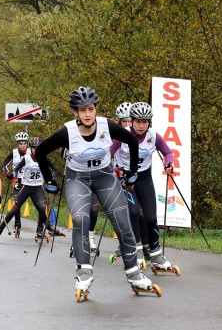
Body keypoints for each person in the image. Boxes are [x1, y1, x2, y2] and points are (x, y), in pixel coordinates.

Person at [36, 86, 160, 300]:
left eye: (91, 109)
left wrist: (132, 171)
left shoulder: (106, 126)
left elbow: (130, 140)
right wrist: (49, 181)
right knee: (81, 220)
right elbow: (40, 152)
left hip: (104, 177)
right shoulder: (67, 132)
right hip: (78, 180)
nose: (87, 114)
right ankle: (84, 275)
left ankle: (135, 275)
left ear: (95, 110)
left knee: (123, 223)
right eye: (82, 110)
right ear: (75, 112)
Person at [111, 101, 180, 274]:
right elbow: (108, 153)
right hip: (125, 178)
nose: (141, 126)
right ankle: (136, 251)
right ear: (131, 121)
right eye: (138, 121)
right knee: (134, 212)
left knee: (150, 217)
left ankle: (156, 255)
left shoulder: (153, 136)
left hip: (144, 178)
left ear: (149, 122)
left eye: (145, 122)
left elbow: (168, 152)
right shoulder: (122, 135)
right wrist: (111, 169)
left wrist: (169, 163)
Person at [0, 137, 60, 242]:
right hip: (26, 186)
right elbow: (16, 169)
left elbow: (55, 170)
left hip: (38, 187)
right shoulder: (26, 158)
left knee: (42, 207)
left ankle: (40, 231)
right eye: (34, 148)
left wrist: (51, 182)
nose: (36, 150)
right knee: (14, 210)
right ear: (31, 148)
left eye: (38, 148)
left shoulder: (44, 158)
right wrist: (16, 180)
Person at [112, 101, 150, 263]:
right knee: (128, 212)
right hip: (120, 177)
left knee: (142, 214)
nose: (127, 125)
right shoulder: (116, 136)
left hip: (137, 177)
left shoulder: (143, 137)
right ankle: (127, 244)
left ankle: (147, 247)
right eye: (124, 121)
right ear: (119, 122)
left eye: (129, 121)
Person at [2, 132, 29, 237]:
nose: (22, 145)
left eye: (24, 143)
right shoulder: (14, 152)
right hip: (17, 180)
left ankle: (41, 228)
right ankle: (18, 225)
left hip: (29, 180)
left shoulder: (31, 152)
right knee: (17, 202)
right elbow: (4, 164)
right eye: (20, 143)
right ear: (17, 144)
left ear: (27, 144)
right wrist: (8, 173)